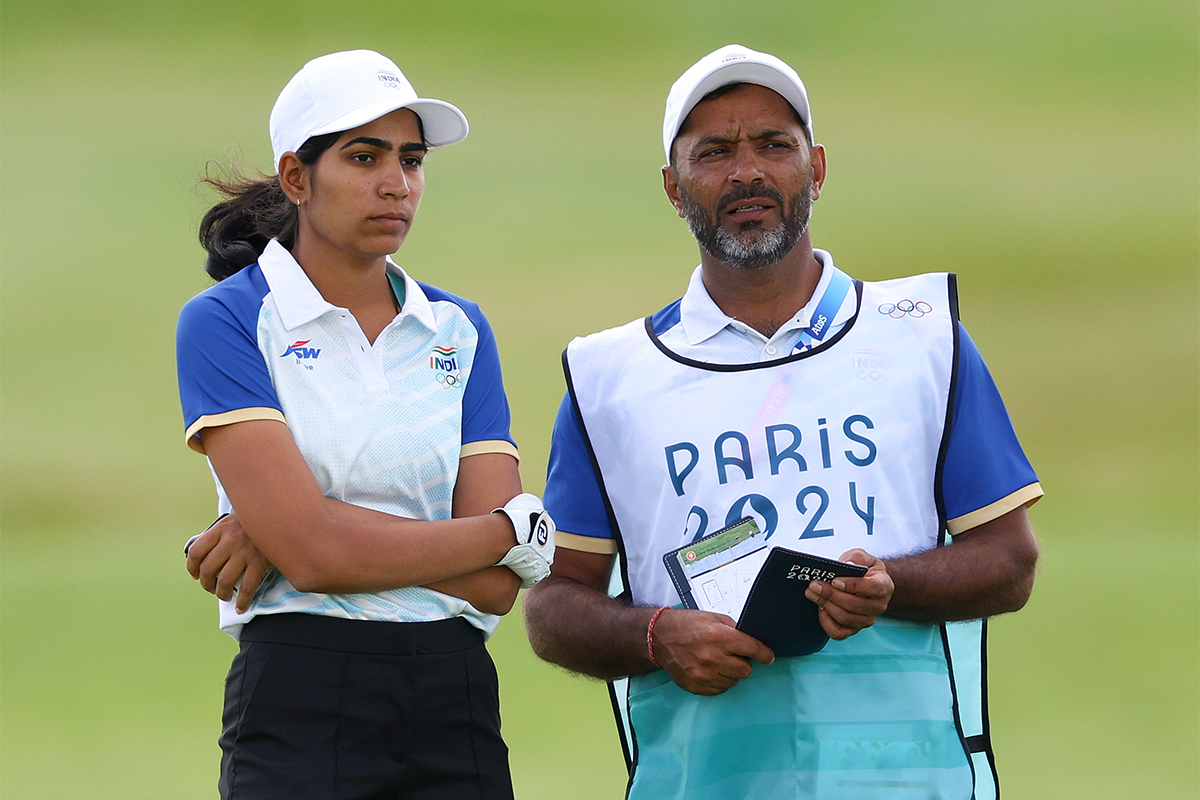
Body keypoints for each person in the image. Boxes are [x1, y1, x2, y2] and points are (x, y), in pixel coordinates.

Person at [523, 44, 1041, 800]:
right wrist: (655, 635)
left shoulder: (924, 336)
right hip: (702, 781)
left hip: (909, 780)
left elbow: (1010, 561)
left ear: (817, 167)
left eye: (774, 145)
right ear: (673, 187)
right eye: (714, 152)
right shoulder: (609, 378)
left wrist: (891, 584)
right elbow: (554, 605)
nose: (748, 172)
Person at [175, 49, 554, 800]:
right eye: (363, 156)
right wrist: (515, 533)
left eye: (410, 159)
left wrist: (300, 525)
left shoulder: (459, 328)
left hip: (457, 697)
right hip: (302, 689)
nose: (397, 182)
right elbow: (314, 556)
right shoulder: (227, 321)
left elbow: (494, 591)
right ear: (296, 178)